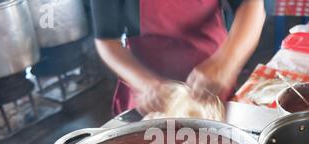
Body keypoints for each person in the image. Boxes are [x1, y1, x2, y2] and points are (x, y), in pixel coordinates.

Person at [90, 0, 266, 116]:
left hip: (211, 75)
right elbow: (107, 41)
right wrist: (146, 84)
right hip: (147, 85)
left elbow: (251, 5)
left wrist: (226, 61)